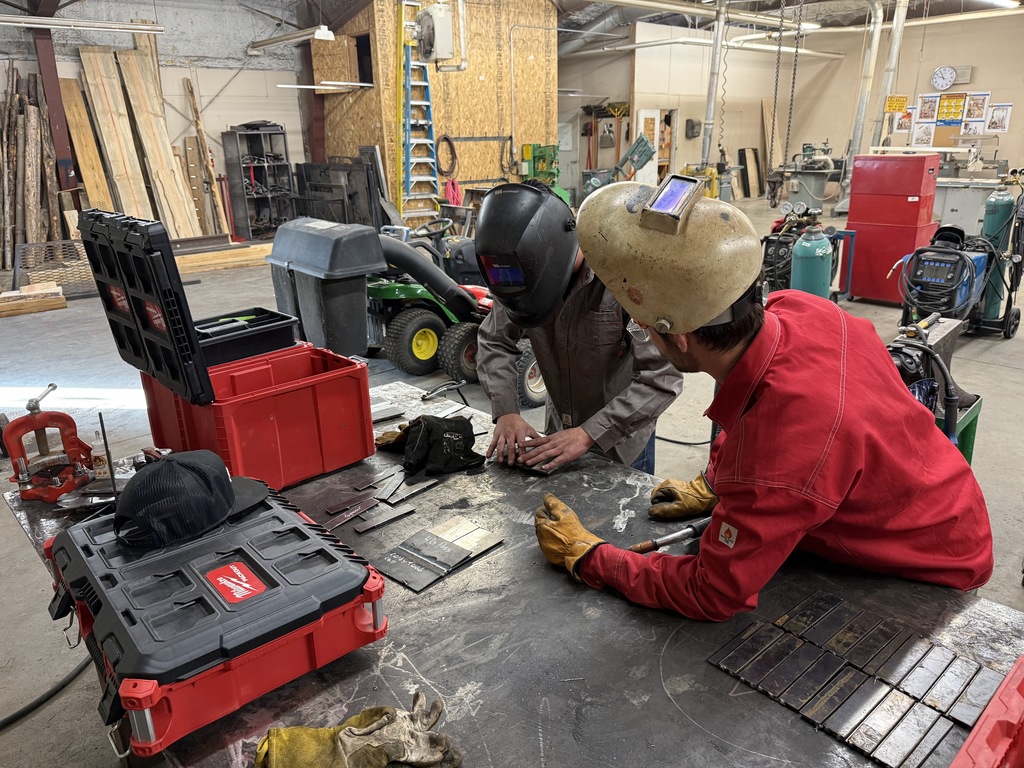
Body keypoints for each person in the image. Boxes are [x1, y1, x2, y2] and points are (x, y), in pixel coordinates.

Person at [534, 176, 994, 621]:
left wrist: (591, 556)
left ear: (678, 340)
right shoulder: (801, 308)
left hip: (929, 566)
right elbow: (754, 410)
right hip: (940, 500)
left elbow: (709, 592)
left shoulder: (784, 446)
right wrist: (717, 481)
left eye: (646, 329)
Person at [473, 180, 684, 474]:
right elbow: (494, 341)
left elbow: (662, 378)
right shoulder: (518, 272)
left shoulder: (624, 278)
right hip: (558, 430)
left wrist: (589, 434)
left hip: (621, 441)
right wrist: (506, 411)